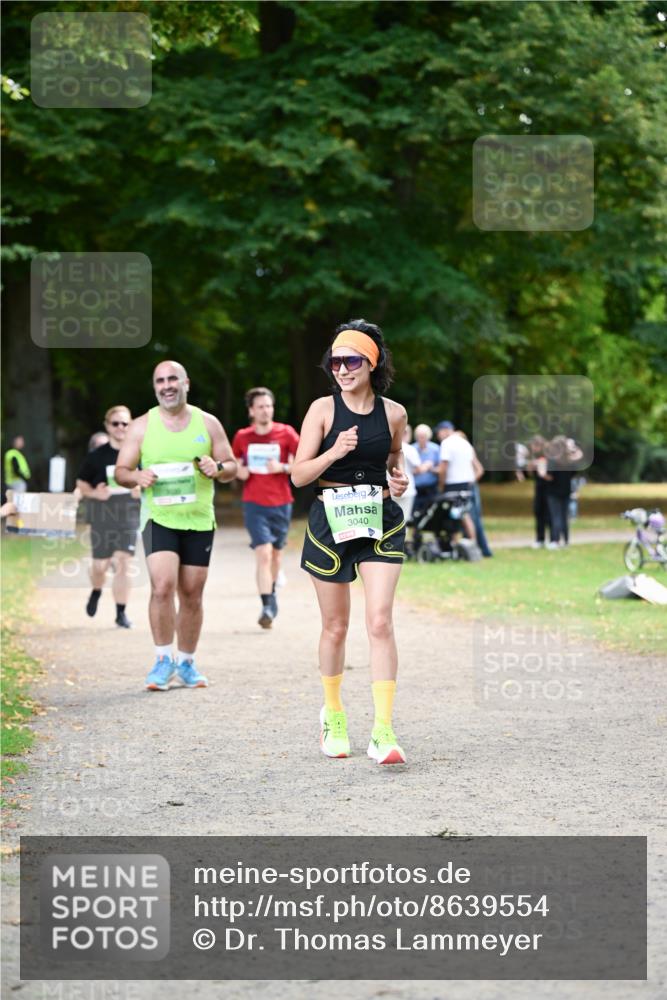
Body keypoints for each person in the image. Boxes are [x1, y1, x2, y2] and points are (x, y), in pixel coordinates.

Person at [291, 319, 409, 766]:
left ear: (370, 362)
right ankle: (334, 713)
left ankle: (383, 730)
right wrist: (334, 451)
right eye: (335, 361)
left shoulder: (394, 413)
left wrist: (398, 481)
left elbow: (394, 459)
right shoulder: (322, 410)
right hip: (330, 522)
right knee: (335, 627)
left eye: (351, 360)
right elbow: (299, 474)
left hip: (380, 518)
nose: (341, 369)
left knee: (379, 622)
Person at [115, 361, 237, 691]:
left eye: (173, 379)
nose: (167, 385)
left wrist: (218, 467)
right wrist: (136, 476)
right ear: (155, 387)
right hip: (159, 518)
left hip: (198, 520)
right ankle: (161, 660)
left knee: (192, 593)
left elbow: (232, 466)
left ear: (186, 383)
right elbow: (121, 471)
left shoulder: (208, 423)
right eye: (160, 381)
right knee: (162, 586)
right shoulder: (141, 426)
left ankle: (185, 662)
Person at [232, 388, 300, 629]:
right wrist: (240, 471)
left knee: (276, 555)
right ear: (251, 410)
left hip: (281, 502)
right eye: (260, 406)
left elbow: (302, 463)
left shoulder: (287, 433)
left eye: (268, 406)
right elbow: (235, 466)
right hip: (254, 503)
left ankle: (271, 594)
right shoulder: (242, 436)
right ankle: (267, 605)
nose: (265, 410)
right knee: (263, 553)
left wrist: (281, 467)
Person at [76, 406, 141, 628]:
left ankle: (120, 613)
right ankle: (96, 590)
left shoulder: (139, 453)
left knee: (123, 563)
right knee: (99, 567)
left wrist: (141, 488)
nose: (121, 427)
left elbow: (149, 479)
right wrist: (95, 493)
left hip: (129, 515)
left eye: (125, 423)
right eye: (115, 423)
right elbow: (81, 484)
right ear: (107, 426)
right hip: (102, 516)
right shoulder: (96, 457)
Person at [436, 421, 477, 544]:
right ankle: (470, 542)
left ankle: (457, 542)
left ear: (444, 431)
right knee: (463, 514)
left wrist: (441, 485)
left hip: (453, 484)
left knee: (455, 515)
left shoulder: (446, 443)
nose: (438, 436)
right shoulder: (465, 443)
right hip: (466, 483)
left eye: (438, 433)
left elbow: (443, 468)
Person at [412, 423, 440, 520]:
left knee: (432, 511)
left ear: (428, 437)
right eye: (419, 437)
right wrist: (421, 468)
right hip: (416, 487)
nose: (421, 439)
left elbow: (441, 469)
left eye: (423, 437)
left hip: (431, 486)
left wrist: (431, 468)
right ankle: (416, 532)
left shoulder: (436, 449)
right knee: (415, 511)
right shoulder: (412, 449)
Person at [394, 424, 419, 523]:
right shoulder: (410, 448)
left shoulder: (388, 445)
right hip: (407, 488)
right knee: (404, 518)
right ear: (406, 433)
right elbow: (418, 468)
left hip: (391, 487)